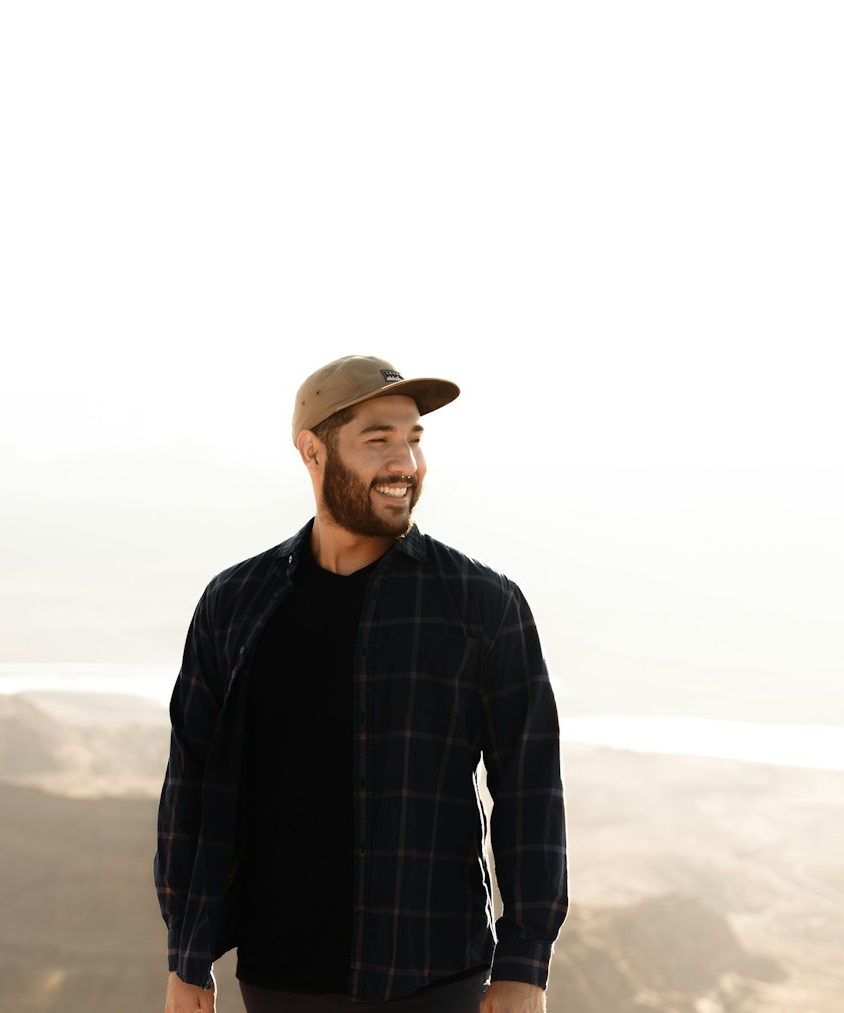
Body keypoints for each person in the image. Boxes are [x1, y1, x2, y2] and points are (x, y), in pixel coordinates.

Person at [155, 355, 567, 1013]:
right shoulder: (235, 602)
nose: (404, 461)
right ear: (311, 450)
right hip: (278, 975)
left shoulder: (482, 603)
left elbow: (530, 790)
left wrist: (525, 966)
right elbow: (192, 788)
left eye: (413, 439)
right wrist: (187, 957)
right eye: (378, 440)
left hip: (434, 974)